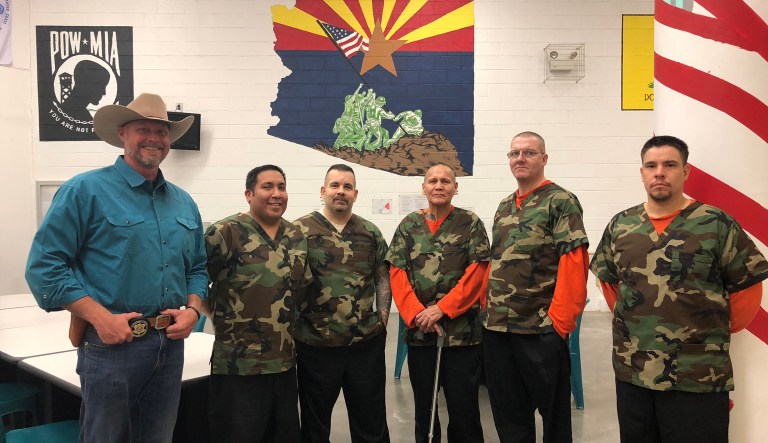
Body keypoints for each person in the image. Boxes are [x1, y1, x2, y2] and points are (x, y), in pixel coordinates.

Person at [25, 92, 208, 442]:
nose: (154, 138)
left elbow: (198, 267)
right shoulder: (85, 191)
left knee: (157, 436)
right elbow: (45, 267)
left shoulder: (184, 202)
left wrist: (193, 310)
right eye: (144, 129)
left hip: (170, 344)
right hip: (111, 345)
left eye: (162, 131)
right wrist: (100, 318)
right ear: (123, 133)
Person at [590, 135, 768, 443]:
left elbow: (747, 288)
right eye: (651, 165)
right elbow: (609, 283)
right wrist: (639, 322)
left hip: (698, 374)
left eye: (669, 165)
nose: (659, 172)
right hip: (634, 371)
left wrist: (704, 329)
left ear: (685, 172)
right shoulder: (622, 225)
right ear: (642, 172)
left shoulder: (716, 223)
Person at [483, 131, 589, 443]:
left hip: (540, 328)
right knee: (509, 414)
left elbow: (574, 261)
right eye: (514, 153)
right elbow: (496, 260)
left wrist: (560, 323)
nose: (520, 158)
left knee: (554, 417)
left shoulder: (560, 201)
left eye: (529, 153)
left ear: (543, 159)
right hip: (499, 329)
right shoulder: (504, 206)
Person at [204, 164, 312, 443]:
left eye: (282, 187)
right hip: (238, 364)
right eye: (267, 187)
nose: (276, 194)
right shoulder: (225, 232)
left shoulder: (296, 236)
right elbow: (193, 281)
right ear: (249, 194)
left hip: (284, 362)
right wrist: (215, 316)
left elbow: (299, 290)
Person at [386, 163, 489, 443]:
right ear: (424, 188)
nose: (439, 185)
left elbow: (478, 271)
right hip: (421, 333)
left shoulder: (470, 223)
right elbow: (397, 273)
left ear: (456, 188)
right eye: (433, 181)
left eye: (446, 181)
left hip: (462, 336)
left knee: (464, 410)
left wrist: (442, 309)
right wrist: (418, 314)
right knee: (426, 411)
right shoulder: (408, 225)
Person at [293, 164, 392, 442]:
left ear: (355, 194)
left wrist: (382, 319)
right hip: (315, 345)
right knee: (315, 425)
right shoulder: (299, 231)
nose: (341, 191)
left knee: (370, 422)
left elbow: (383, 278)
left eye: (347, 187)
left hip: (364, 345)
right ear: (323, 191)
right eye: (335, 185)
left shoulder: (369, 232)